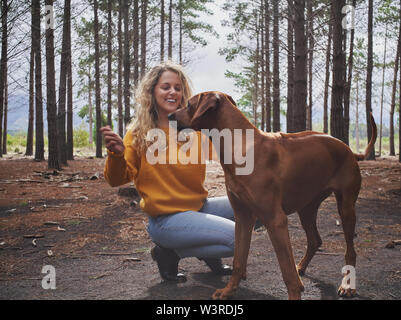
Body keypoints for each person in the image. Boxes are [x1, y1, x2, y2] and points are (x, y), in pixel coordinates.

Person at [101, 61, 234, 283]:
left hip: (199, 209)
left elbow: (229, 153)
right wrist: (116, 155)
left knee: (259, 206)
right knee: (238, 239)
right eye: (165, 87)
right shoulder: (139, 134)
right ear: (152, 92)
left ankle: (207, 250)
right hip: (166, 221)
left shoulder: (195, 132)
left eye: (178, 88)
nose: (173, 92)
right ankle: (170, 253)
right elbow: (116, 180)